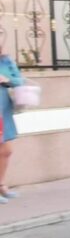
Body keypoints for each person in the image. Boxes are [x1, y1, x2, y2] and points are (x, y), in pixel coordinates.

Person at [0, 50, 23, 202]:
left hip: (4, 110)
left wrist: (5, 79)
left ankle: (1, 185)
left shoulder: (6, 60)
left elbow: (19, 81)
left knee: (7, 150)